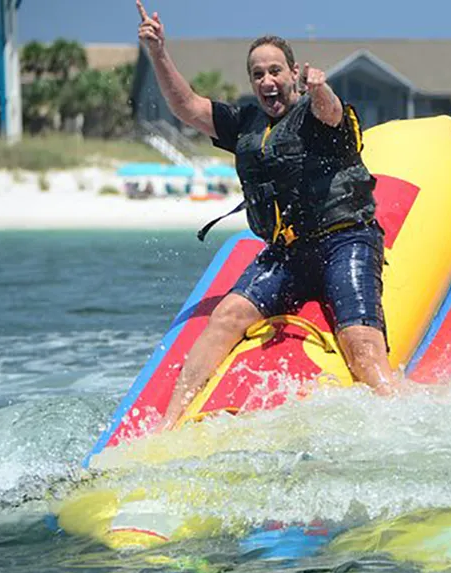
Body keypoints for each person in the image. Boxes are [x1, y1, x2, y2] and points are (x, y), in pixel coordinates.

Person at [135, 1, 395, 429]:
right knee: (227, 316)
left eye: (275, 70)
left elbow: (331, 114)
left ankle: (395, 413)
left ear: (294, 73)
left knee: (360, 344)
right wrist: (159, 53)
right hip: (286, 252)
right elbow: (187, 107)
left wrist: (320, 89)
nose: (267, 81)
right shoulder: (246, 123)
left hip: (344, 240)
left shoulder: (318, 112)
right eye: (258, 74)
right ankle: (168, 424)